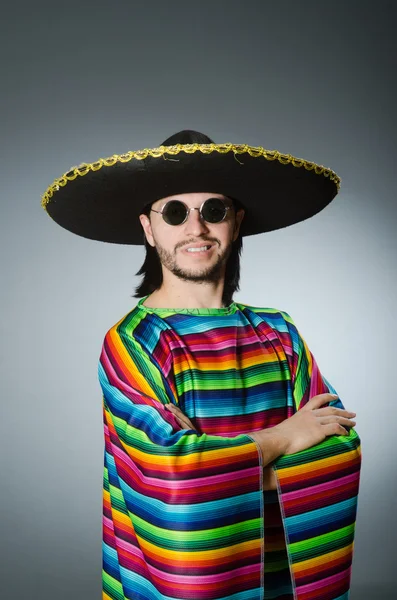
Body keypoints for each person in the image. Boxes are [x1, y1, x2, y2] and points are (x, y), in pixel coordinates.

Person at [41, 129, 362, 600]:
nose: (196, 229)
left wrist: (218, 462)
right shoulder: (133, 344)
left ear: (236, 222)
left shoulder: (280, 332)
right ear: (149, 229)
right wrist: (286, 437)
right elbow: (173, 473)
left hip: (280, 580)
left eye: (214, 211)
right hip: (178, 586)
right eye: (175, 212)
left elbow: (339, 441)